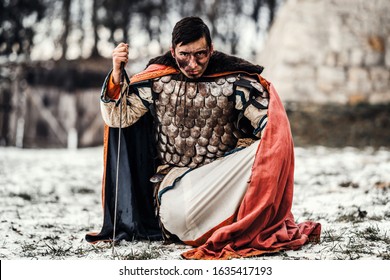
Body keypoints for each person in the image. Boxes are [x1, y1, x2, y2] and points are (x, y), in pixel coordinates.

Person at [86, 16, 321, 260]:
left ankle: (237, 222)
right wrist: (116, 73)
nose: (193, 63)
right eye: (184, 55)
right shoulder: (157, 82)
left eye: (200, 54)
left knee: (271, 144)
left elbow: (270, 125)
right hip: (177, 188)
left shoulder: (234, 81)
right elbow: (117, 118)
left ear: (211, 49)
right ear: (172, 51)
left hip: (223, 180)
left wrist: (266, 139)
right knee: (181, 216)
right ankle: (230, 224)